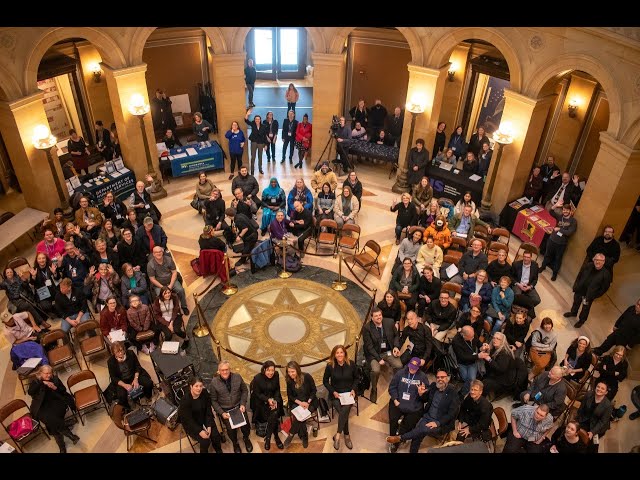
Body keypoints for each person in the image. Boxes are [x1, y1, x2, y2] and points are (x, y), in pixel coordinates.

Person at [386, 369, 460, 453]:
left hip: (440, 422)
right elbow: (424, 399)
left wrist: (437, 423)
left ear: (448, 378)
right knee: (417, 435)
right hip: (427, 417)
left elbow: (451, 414)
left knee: (422, 429)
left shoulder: (453, 394)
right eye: (438, 377)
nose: (440, 379)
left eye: (442, 377)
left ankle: (400, 438)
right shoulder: (433, 386)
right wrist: (421, 394)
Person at [28, 365, 79, 453]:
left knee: (51, 423)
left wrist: (55, 388)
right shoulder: (36, 381)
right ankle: (69, 435)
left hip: (56, 402)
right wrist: (42, 383)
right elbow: (30, 392)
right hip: (41, 406)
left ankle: (62, 447)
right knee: (50, 420)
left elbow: (63, 390)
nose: (48, 375)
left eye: (50, 373)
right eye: (46, 373)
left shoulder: (55, 379)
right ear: (40, 373)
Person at [209, 361, 253, 453]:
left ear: (230, 369)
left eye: (226, 369)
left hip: (238, 406)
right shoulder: (214, 382)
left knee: (245, 425)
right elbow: (213, 400)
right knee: (230, 429)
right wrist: (221, 412)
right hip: (225, 410)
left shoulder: (237, 377)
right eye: (222, 370)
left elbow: (244, 391)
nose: (225, 372)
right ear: (219, 371)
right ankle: (235, 443)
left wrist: (242, 404)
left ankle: (246, 439)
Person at [387, 357, 428, 452]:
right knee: (393, 420)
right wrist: (395, 400)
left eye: (414, 367)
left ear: (418, 367)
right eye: (411, 366)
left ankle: (400, 438)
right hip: (398, 402)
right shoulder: (400, 373)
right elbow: (392, 388)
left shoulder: (423, 377)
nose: (412, 369)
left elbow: (426, 398)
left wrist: (422, 394)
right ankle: (393, 440)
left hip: (414, 406)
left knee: (408, 424)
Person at [363, 308, 402, 403]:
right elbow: (369, 347)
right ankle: (374, 388)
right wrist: (378, 358)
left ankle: (396, 385)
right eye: (376, 316)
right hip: (375, 353)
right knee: (376, 371)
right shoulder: (367, 328)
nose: (378, 317)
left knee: (399, 366)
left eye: (380, 315)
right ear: (371, 317)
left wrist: (396, 346)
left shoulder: (389, 322)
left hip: (388, 351)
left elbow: (396, 335)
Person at [323, 345, 358, 450]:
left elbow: (356, 378)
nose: (339, 355)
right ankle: (346, 436)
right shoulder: (330, 366)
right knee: (344, 413)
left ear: (345, 353)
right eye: (337, 353)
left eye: (341, 352)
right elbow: (325, 381)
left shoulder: (351, 364)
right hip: (336, 395)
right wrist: (333, 391)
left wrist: (353, 389)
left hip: (349, 394)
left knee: (344, 410)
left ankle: (338, 435)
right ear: (334, 354)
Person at [564, 253, 612, 327]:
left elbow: (604, 288)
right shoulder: (588, 265)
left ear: (603, 262)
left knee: (585, 309)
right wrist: (576, 285)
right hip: (580, 290)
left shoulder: (606, 274)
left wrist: (594, 295)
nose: (597, 262)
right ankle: (573, 313)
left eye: (600, 260)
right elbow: (580, 275)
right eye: (596, 259)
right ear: (593, 260)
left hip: (588, 295)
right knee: (576, 302)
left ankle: (581, 321)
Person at [179, 376, 223, 454]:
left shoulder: (204, 393)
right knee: (205, 441)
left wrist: (209, 425)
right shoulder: (185, 401)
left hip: (205, 418)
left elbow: (208, 410)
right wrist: (199, 431)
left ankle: (218, 449)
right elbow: (188, 420)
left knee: (215, 436)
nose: (199, 389)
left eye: (200, 386)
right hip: (193, 424)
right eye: (196, 386)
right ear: (191, 386)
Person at [107, 341, 153, 407]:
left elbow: (137, 366)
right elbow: (113, 377)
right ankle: (128, 407)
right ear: (113, 353)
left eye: (121, 350)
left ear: (124, 349)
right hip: (122, 380)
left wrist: (135, 379)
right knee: (121, 396)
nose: (120, 353)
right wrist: (125, 385)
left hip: (133, 375)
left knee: (148, 383)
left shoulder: (130, 353)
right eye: (117, 352)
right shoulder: (110, 361)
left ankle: (147, 397)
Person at [282, 361, 317, 449]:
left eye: (292, 371)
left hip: (310, 402)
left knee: (300, 417)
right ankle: (304, 436)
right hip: (297, 402)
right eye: (289, 372)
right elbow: (290, 395)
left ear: (297, 370)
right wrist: (300, 403)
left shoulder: (307, 377)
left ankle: (291, 434)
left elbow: (314, 390)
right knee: (299, 416)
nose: (290, 374)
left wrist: (308, 402)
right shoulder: (289, 380)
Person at [251, 360, 284, 450]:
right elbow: (257, 394)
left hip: (273, 400)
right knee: (272, 414)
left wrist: (276, 401)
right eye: (268, 370)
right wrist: (267, 400)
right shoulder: (257, 378)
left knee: (274, 413)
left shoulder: (276, 375)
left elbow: (277, 389)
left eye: (272, 370)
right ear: (264, 370)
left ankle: (268, 437)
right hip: (261, 402)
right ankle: (276, 437)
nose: (271, 373)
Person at [540, 204, 577, 281]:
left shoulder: (573, 221)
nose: (565, 211)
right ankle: (542, 267)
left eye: (567, 210)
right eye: (564, 210)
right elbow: (551, 211)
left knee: (558, 259)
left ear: (570, 211)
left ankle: (554, 274)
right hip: (552, 240)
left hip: (561, 244)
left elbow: (569, 232)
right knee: (547, 254)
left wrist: (559, 229)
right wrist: (556, 205)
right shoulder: (560, 216)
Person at [147, 247, 188, 314]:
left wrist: (171, 285)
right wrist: (163, 288)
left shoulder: (169, 260)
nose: (159, 253)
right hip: (159, 285)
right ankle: (168, 311)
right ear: (153, 254)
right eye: (156, 252)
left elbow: (174, 272)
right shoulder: (150, 265)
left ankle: (184, 306)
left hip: (171, 281)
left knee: (180, 290)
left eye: (160, 251)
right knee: (160, 296)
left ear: (162, 252)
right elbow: (152, 279)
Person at [576, 381, 613, 453]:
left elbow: (603, 422)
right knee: (577, 435)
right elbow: (581, 408)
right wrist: (577, 420)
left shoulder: (608, 405)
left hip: (597, 425)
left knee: (592, 445)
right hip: (585, 419)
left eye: (602, 388)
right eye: (598, 387)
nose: (599, 389)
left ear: (606, 392)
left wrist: (593, 432)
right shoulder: (589, 394)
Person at [478, 332, 515, 401]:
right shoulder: (494, 348)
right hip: (495, 374)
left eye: (498, 339)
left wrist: (489, 359)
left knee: (485, 383)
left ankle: (480, 400)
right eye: (494, 338)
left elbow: (501, 369)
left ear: (502, 341)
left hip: (503, 379)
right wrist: (486, 351)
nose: (495, 340)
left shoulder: (505, 353)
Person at [452, 326, 482, 397]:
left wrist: (482, 346)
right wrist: (478, 356)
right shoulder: (456, 341)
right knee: (467, 379)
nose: (473, 338)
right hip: (462, 363)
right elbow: (462, 357)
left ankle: (461, 395)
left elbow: (478, 343)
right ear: (463, 335)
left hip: (472, 362)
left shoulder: (473, 334)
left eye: (473, 336)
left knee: (471, 379)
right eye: (470, 337)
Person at [29, 253, 60, 317]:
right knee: (45, 306)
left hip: (53, 289)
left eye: (43, 258)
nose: (41, 260)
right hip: (43, 292)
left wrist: (55, 273)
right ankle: (54, 311)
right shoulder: (34, 269)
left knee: (61, 301)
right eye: (39, 258)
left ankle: (57, 311)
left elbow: (58, 278)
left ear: (46, 259)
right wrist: (34, 276)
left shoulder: (51, 266)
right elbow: (32, 284)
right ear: (37, 260)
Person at [244, 108, 268, 175]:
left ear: (260, 120)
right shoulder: (253, 124)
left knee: (260, 156)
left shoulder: (264, 126)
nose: (257, 120)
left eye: (258, 119)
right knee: (253, 157)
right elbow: (246, 120)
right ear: (254, 120)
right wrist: (247, 114)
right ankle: (252, 171)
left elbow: (265, 136)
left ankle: (260, 169)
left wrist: (266, 145)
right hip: (254, 142)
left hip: (261, 143)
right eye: (256, 119)